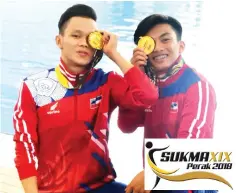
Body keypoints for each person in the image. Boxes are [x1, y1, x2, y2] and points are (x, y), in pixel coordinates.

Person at [12, 4, 158, 193]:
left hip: (102, 186)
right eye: (75, 35)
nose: (84, 43)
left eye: (90, 38)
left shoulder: (106, 82)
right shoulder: (33, 87)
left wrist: (114, 54)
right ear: (59, 41)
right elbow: (25, 147)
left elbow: (147, 96)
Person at [117, 14, 217, 193]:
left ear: (181, 46)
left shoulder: (198, 86)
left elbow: (191, 148)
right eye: (150, 43)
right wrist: (135, 80)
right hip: (159, 181)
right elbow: (126, 126)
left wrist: (151, 173)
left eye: (165, 40)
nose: (158, 48)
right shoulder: (149, 86)